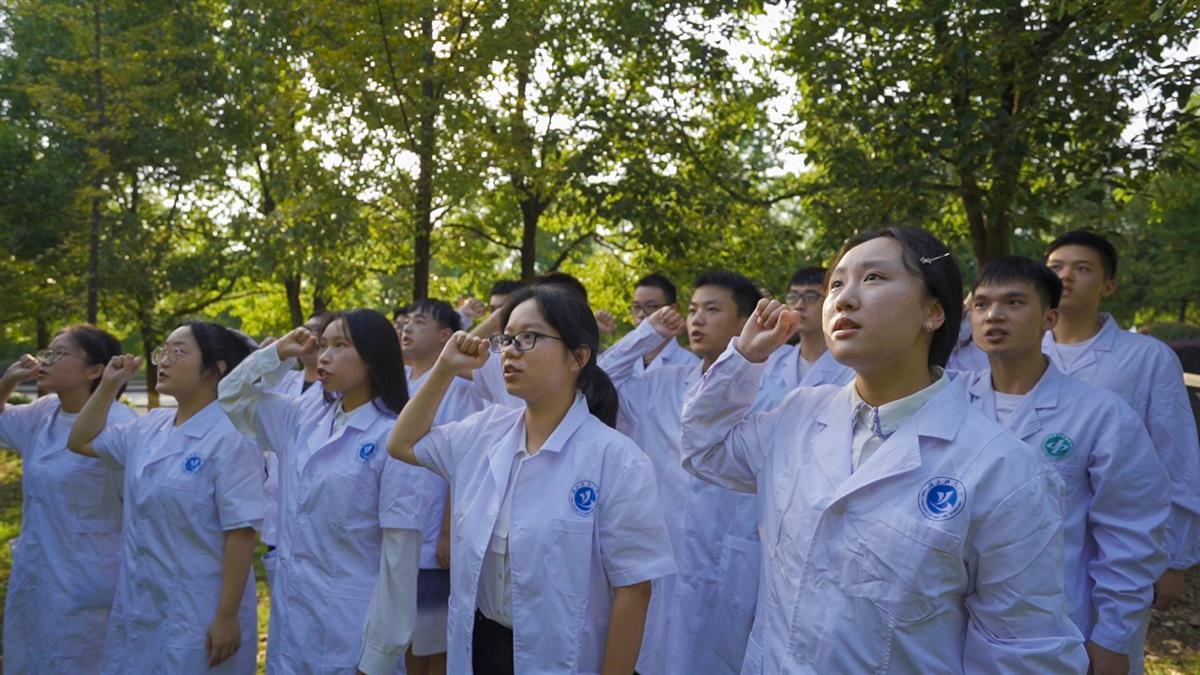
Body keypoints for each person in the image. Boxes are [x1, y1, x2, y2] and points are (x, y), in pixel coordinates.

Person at [680, 227, 1088, 672]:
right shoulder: (796, 417)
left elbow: (1024, 654)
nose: (845, 299)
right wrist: (742, 359)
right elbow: (704, 449)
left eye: (873, 278)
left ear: (933, 312)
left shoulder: (1002, 470)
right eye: (836, 284)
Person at [387, 284, 676, 675]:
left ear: (578, 357)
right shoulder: (483, 433)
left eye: (529, 338)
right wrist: (444, 368)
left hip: (563, 657)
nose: (509, 350)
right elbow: (403, 444)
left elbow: (634, 590)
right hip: (480, 646)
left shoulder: (617, 459)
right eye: (507, 339)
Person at [965, 256, 1170, 674]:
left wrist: (1114, 637)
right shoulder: (950, 402)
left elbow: (1130, 535)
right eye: (982, 305)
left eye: (1014, 303)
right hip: (957, 622)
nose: (994, 316)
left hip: (1059, 625)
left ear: (1049, 317)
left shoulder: (1101, 415)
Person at [218, 309, 438, 674]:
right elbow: (231, 396)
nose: (323, 356)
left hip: (352, 624)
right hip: (292, 619)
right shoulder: (304, 417)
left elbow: (399, 559)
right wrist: (277, 354)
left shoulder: (393, 437)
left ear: (372, 357)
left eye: (340, 346)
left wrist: (379, 655)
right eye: (323, 345)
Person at [598, 271, 790, 675]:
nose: (697, 320)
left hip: (731, 567)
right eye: (693, 310)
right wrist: (647, 335)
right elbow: (592, 385)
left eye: (712, 310)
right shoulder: (660, 386)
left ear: (743, 323)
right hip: (659, 564)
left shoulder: (776, 398)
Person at [67, 321, 263, 674]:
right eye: (162, 352)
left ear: (215, 370)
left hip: (199, 609)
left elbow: (241, 532)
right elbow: (80, 440)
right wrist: (109, 385)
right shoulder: (150, 426)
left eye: (179, 352)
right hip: (141, 600)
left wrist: (226, 616)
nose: (164, 361)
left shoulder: (232, 436)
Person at [1043, 231, 1200, 604]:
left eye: (1082, 268)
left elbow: (1176, 457)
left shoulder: (1148, 357)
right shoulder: (1013, 351)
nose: (1065, 276)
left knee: (1108, 652)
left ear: (1108, 286)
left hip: (1117, 541)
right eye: (1055, 267)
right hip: (1026, 539)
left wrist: (1174, 559)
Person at [0, 325, 137, 673]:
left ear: (95, 371)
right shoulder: (42, 413)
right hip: (38, 568)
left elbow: (138, 509)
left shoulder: (122, 426)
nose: (43, 361)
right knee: (29, 656)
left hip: (90, 577)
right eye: (46, 352)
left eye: (58, 354)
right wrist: (8, 382)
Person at [401, 298, 485, 675]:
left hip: (435, 536)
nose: (406, 327)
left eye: (419, 322)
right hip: (399, 531)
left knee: (432, 643)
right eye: (405, 321)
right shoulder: (399, 381)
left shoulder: (458, 389)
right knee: (402, 636)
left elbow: (460, 466)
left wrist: (448, 533)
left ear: (445, 336)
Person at [763, 267, 853, 390]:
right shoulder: (771, 359)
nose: (799, 305)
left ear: (831, 303)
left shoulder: (851, 366)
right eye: (793, 297)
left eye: (811, 297)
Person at [624, 273, 699, 378]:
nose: (641, 314)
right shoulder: (624, 360)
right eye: (636, 307)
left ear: (672, 310)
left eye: (651, 306)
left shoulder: (690, 365)